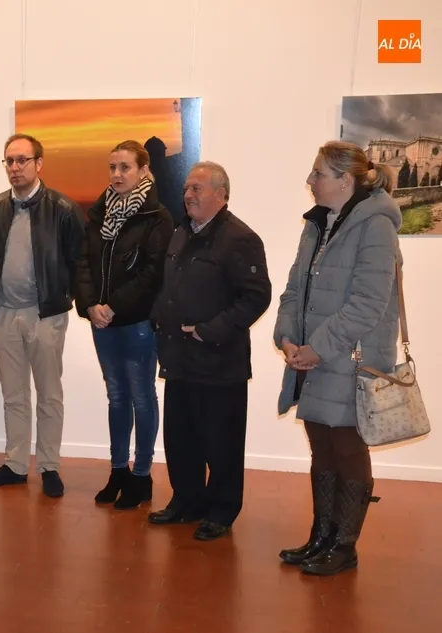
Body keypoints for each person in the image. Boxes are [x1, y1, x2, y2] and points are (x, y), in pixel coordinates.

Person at [274, 141, 400, 575]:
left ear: (345, 180)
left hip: (350, 361)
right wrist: (289, 338)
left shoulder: (376, 226)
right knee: (322, 448)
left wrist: (317, 347)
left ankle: (344, 547)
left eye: (318, 174)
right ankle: (321, 537)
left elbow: (369, 303)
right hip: (312, 358)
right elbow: (293, 290)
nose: (310, 181)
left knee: (347, 450)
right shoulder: (317, 224)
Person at [148, 161, 271, 540]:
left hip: (220, 363)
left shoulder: (240, 238)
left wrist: (211, 330)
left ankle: (221, 510)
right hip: (179, 360)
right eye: (187, 188)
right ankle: (186, 501)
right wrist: (158, 317)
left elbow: (256, 297)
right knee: (181, 438)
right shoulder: (181, 233)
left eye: (197, 188)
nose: (188, 195)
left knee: (221, 443)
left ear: (222, 193)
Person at [0, 133, 85, 498]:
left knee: (49, 394)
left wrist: (63, 300)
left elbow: (78, 262)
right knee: (14, 395)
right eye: (9, 160)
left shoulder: (64, 209)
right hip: (4, 314)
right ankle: (16, 464)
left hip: (46, 316)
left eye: (22, 160)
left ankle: (50, 466)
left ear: (39, 163)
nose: (15, 167)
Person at [75, 140, 174, 509]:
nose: (117, 174)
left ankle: (142, 475)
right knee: (116, 396)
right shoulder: (100, 212)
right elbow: (83, 262)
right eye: (112, 167)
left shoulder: (158, 217)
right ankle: (118, 470)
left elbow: (152, 274)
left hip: (136, 323)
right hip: (102, 322)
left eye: (125, 167)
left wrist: (113, 306)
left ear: (144, 170)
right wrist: (89, 306)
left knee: (141, 396)